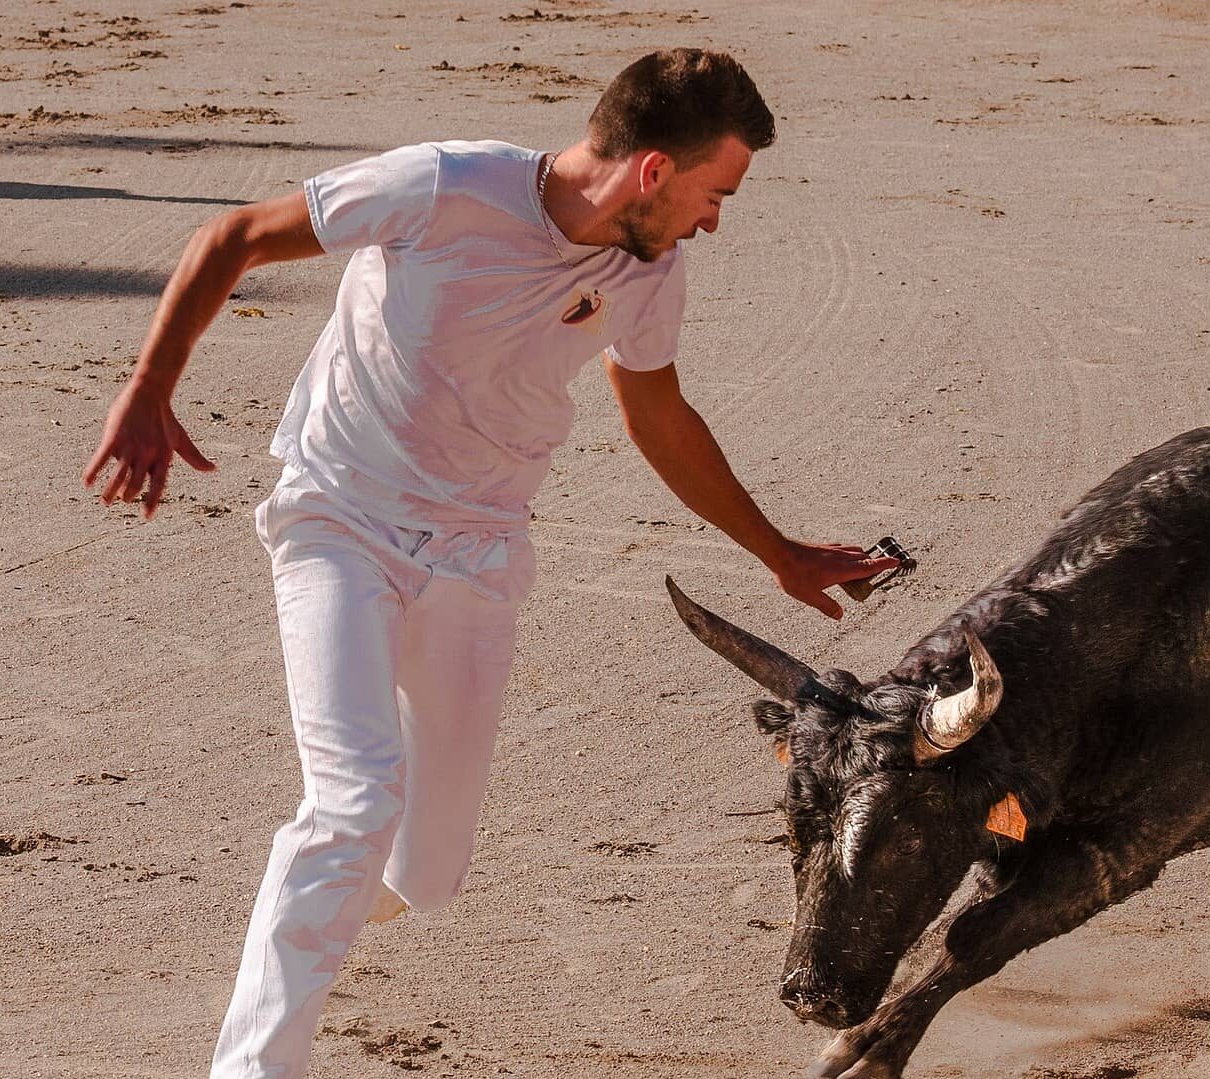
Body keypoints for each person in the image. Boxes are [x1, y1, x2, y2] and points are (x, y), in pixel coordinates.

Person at [81, 48, 898, 1079]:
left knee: (424, 868)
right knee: (353, 799)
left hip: (478, 548)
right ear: (654, 170)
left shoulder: (647, 271)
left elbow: (657, 414)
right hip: (340, 517)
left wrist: (775, 552)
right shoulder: (444, 185)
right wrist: (151, 385)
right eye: (714, 192)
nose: (715, 220)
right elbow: (235, 235)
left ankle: (316, 908)